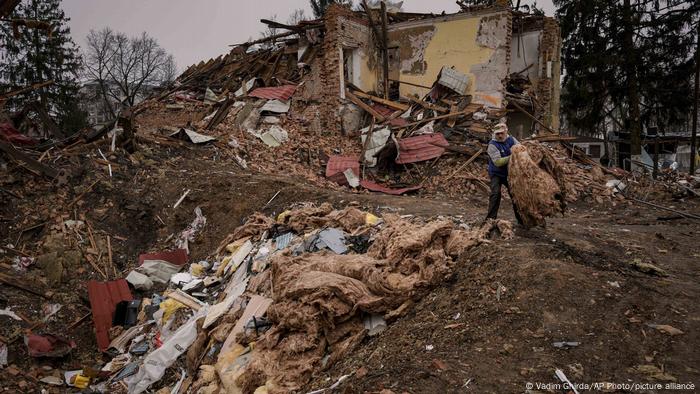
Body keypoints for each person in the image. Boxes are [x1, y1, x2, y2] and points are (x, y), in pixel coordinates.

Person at [486, 123, 523, 224]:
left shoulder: (512, 140)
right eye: (498, 134)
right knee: (495, 193)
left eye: (502, 133)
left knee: (515, 195)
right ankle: (490, 220)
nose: (500, 136)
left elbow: (521, 149)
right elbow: (498, 162)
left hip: (509, 173)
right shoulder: (492, 145)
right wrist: (513, 157)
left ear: (506, 131)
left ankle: (521, 220)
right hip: (496, 173)